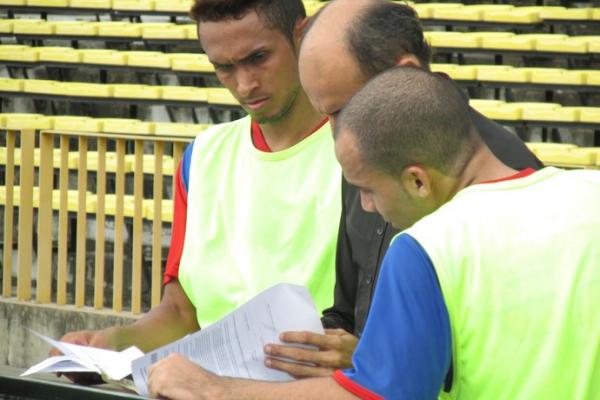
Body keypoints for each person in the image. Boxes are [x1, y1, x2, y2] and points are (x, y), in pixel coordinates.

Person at [146, 66, 600, 400]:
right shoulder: (590, 192)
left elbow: (376, 396)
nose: (364, 206)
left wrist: (213, 389)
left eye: (366, 190)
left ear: (418, 180)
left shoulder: (426, 248)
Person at [261, 0, 544, 379]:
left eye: (342, 111)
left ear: (404, 73)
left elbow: (513, 356)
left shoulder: (512, 178)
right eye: (324, 114)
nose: (335, 135)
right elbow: (348, 310)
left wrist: (376, 359)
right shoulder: (364, 157)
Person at [52, 0, 341, 368]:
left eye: (258, 58)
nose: (245, 84)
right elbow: (180, 313)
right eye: (223, 67)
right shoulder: (202, 157)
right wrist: (112, 343)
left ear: (301, 37)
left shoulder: (359, 150)